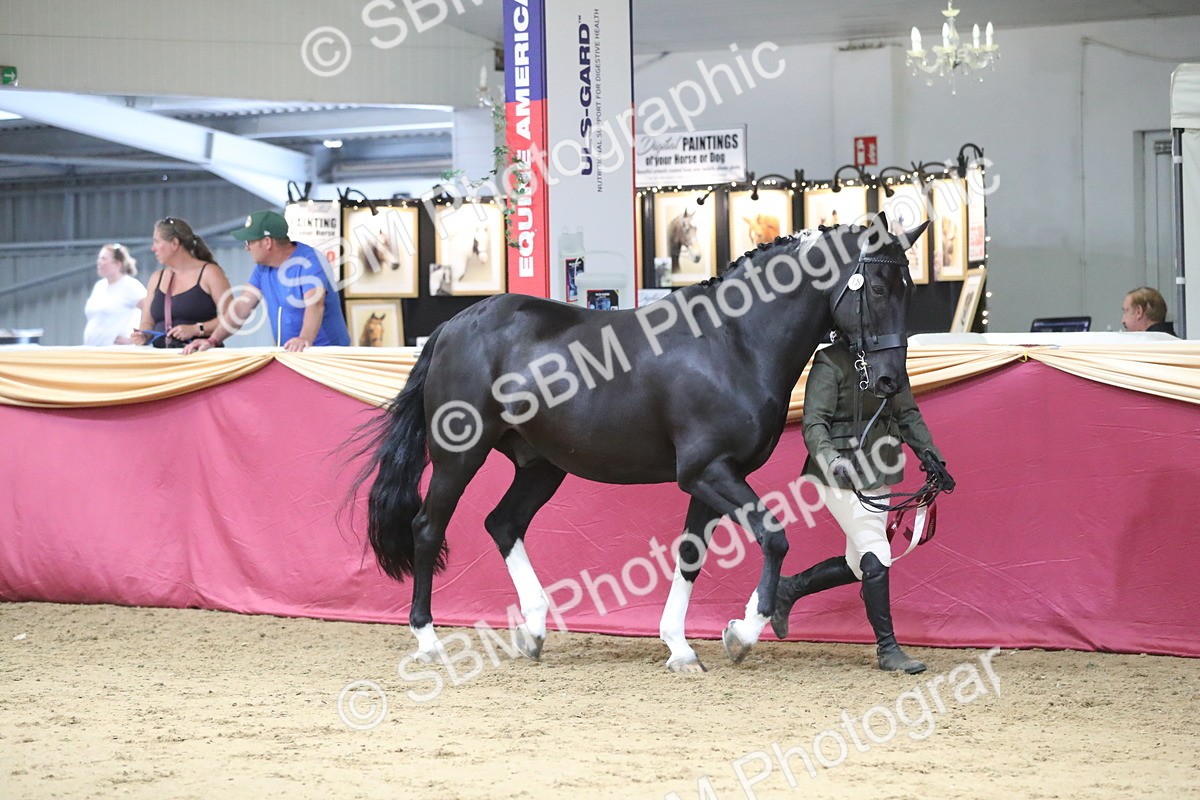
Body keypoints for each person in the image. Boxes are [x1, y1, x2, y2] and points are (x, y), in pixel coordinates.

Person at [771, 337, 955, 674]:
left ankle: (788, 589)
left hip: (879, 470)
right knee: (876, 548)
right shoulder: (830, 361)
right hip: (836, 476)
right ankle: (888, 649)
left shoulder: (890, 360)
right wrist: (831, 459)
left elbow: (907, 413)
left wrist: (933, 458)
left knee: (860, 564)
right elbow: (814, 423)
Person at [184, 210, 349, 353]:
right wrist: (213, 340)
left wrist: (303, 338)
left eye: (249, 241)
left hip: (325, 354)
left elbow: (315, 304)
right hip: (292, 353)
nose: (246, 248)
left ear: (267, 242)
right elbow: (241, 308)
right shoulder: (263, 269)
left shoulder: (310, 261)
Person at [130, 217, 231, 348]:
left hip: (201, 360)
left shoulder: (210, 273)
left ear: (174, 243)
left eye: (157, 242)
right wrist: (143, 335)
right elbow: (147, 322)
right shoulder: (156, 278)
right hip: (165, 360)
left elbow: (232, 317)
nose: (153, 248)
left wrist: (197, 329)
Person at [83, 243, 146, 346]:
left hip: (116, 352)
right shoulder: (99, 286)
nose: (99, 262)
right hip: (93, 351)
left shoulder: (130, 286)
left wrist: (139, 337)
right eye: (99, 258)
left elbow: (151, 311)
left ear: (117, 264)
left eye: (103, 259)